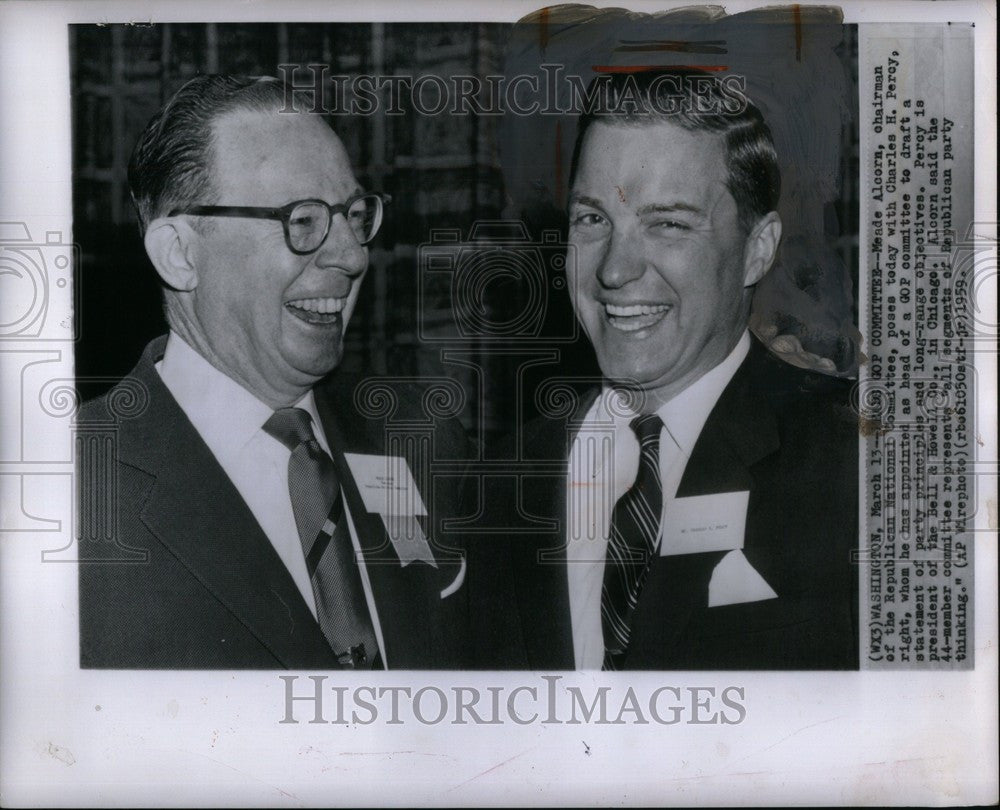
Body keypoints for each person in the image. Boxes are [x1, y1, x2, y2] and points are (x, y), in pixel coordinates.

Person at [468, 70, 858, 670]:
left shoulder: (859, 465)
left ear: (759, 247)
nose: (615, 272)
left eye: (668, 224)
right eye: (593, 220)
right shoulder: (490, 489)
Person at [76, 75, 467, 669]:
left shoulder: (421, 441)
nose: (353, 255)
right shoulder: (73, 489)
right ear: (180, 253)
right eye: (302, 221)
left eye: (354, 216)